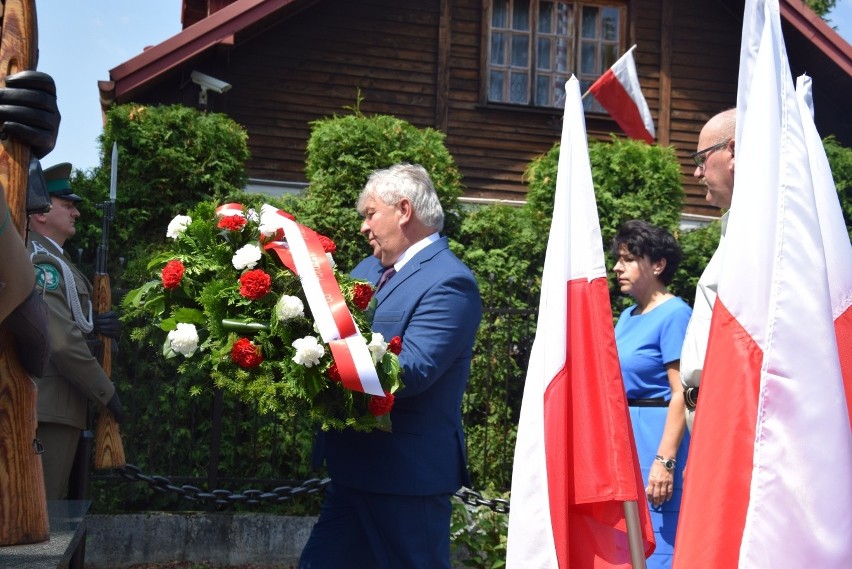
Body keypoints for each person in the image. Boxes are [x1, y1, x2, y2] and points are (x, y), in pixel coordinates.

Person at [299, 163, 482, 569]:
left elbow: (412, 371)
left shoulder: (450, 282)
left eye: (370, 214)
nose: (363, 227)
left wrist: (327, 358)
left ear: (403, 210)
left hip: (406, 478)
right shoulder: (367, 270)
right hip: (353, 469)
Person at [27, 162, 122, 500]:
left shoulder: (57, 261)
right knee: (40, 518)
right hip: (47, 411)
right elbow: (62, 342)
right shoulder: (41, 263)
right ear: (40, 212)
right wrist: (106, 392)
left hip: (58, 409)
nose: (76, 213)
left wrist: (95, 329)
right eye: (67, 205)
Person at [611, 219, 692, 569]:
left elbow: (683, 392)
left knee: (660, 551)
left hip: (656, 444)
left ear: (657, 265)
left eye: (628, 259)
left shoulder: (676, 314)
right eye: (618, 258)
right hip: (627, 441)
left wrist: (665, 462)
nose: (617, 267)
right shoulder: (627, 316)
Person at [680, 108, 736, 431]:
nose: (697, 173)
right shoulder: (734, 229)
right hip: (711, 423)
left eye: (701, 159)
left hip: (727, 422)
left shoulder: (764, 234)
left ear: (732, 151)